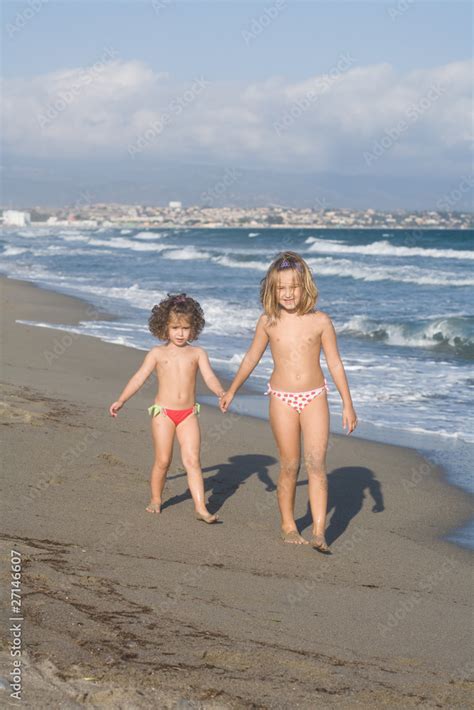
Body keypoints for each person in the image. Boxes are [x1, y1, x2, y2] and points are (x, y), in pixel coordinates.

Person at [220, 252, 357, 552]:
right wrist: (231, 390)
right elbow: (251, 358)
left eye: (293, 286)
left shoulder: (320, 321)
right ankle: (288, 524)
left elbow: (335, 363)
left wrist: (347, 403)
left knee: (317, 464)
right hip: (281, 398)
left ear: (305, 286)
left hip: (315, 396)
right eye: (281, 288)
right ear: (272, 290)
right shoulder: (268, 322)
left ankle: (320, 531)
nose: (288, 293)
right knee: (290, 464)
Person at [109, 293, 225, 523]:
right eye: (175, 327)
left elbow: (210, 377)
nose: (180, 333)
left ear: (194, 328)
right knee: (163, 460)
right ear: (164, 327)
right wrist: (121, 400)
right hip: (163, 413)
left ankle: (201, 507)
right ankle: (156, 498)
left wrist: (221, 393)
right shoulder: (157, 353)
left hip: (189, 413)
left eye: (185, 328)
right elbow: (139, 378)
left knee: (192, 460)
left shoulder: (198, 353)